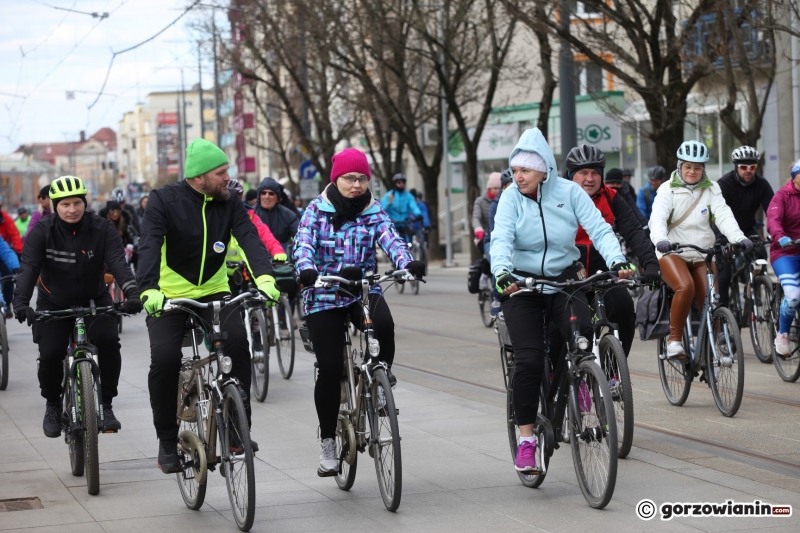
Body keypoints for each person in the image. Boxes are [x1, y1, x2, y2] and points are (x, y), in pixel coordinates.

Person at [491, 128, 634, 473]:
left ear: (545, 169)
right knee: (528, 359)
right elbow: (501, 238)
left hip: (563, 280)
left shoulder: (569, 192)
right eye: (516, 169)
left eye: (526, 169)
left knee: (582, 337)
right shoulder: (510, 197)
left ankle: (578, 383)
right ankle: (526, 440)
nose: (519, 175)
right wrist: (501, 272)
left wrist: (617, 261)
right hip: (522, 285)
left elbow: (600, 229)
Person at [137, 139, 280, 473]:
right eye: (221, 172)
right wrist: (148, 289)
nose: (228, 177)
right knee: (166, 359)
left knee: (238, 346)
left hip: (215, 291)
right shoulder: (163, 200)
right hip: (169, 297)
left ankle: (234, 428)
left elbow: (248, 239)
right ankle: (166, 439)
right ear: (199, 177)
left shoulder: (229, 202)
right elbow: (149, 244)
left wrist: (266, 278)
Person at [292, 148, 425, 476]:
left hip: (362, 289)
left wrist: (407, 263)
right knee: (330, 365)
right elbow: (304, 244)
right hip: (323, 292)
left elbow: (391, 239)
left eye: (363, 179)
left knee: (385, 325)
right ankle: (327, 442)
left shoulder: (373, 210)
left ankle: (380, 378)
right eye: (351, 178)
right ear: (336, 178)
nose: (357, 184)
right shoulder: (316, 211)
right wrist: (306, 269)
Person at [12, 176, 142, 438]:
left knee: (108, 341)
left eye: (77, 203)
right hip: (53, 302)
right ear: (55, 205)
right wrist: (21, 302)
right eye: (65, 204)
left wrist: (132, 292)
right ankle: (52, 404)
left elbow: (118, 262)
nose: (72, 209)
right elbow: (29, 269)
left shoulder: (101, 229)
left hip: (94, 299)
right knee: (49, 353)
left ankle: (105, 405)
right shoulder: (42, 232)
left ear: (85, 203)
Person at [649, 140, 752, 358]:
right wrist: (660, 239)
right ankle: (674, 340)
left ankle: (711, 348)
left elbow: (724, 215)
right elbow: (657, 219)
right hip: (672, 252)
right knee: (685, 287)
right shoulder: (668, 189)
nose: (692, 171)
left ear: (703, 168)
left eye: (697, 167)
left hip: (702, 254)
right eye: (688, 166)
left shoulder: (711, 189)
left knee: (711, 297)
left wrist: (739, 237)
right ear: (680, 167)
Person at [565, 144, 661, 357]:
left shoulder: (611, 197)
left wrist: (652, 264)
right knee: (570, 329)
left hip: (603, 271)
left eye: (594, 173)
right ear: (571, 176)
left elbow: (634, 231)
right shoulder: (558, 197)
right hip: (568, 274)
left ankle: (614, 371)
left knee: (625, 310)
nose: (589, 179)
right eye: (583, 173)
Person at [716, 146, 774, 308]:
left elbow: (773, 212)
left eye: (752, 167)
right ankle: (724, 320)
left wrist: (776, 233)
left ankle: (752, 288)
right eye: (743, 167)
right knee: (724, 277)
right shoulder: (724, 184)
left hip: (747, 229)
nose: (748, 170)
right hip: (724, 231)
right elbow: (715, 214)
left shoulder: (762, 184)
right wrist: (721, 239)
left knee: (761, 255)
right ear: (736, 167)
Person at [225, 178, 286, 292]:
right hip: (222, 270)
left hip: (245, 267)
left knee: (254, 297)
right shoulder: (215, 215)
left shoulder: (249, 215)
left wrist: (277, 250)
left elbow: (265, 233)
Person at [766, 161, 800, 356]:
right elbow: (773, 220)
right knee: (794, 295)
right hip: (785, 252)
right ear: (795, 177)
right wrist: (781, 237)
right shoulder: (782, 196)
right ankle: (783, 334)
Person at [486, 168, 514, 317]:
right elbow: (495, 233)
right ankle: (496, 298)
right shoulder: (496, 205)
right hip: (492, 240)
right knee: (496, 261)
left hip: (515, 243)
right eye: (508, 185)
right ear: (503, 187)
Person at [255, 177, 300, 254]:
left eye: (271, 193)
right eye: (263, 193)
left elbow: (302, 238)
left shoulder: (289, 215)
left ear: (278, 198)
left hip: (282, 261)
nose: (267, 196)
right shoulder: (250, 214)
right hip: (256, 260)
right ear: (259, 196)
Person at [380, 173, 422, 240]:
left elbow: (414, 206)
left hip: (405, 224)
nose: (401, 184)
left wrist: (418, 214)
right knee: (392, 244)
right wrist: (389, 203)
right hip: (393, 225)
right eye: (399, 182)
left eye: (403, 182)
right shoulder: (389, 195)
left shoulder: (408, 196)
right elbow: (382, 210)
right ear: (395, 183)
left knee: (408, 243)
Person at [472, 172, 501, 248]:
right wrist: (478, 229)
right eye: (495, 188)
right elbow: (476, 217)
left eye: (499, 188)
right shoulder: (480, 201)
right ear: (489, 188)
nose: (497, 191)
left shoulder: (504, 200)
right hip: (487, 236)